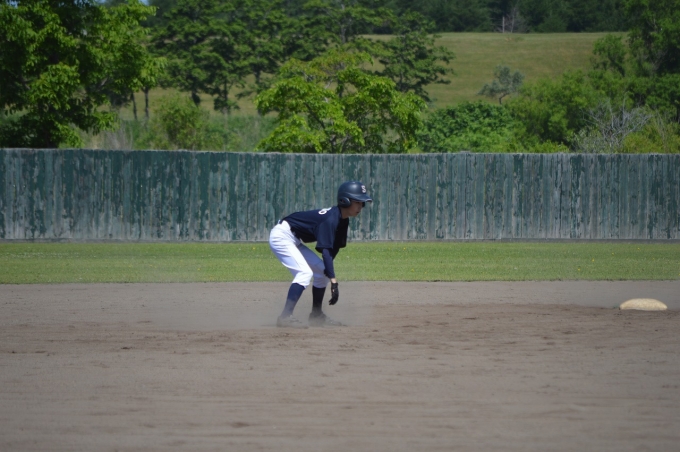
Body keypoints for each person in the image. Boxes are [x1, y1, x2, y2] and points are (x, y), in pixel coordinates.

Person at [268, 180, 372, 328]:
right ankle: (285, 316)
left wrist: (328, 273)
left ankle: (317, 316)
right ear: (345, 200)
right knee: (304, 272)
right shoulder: (330, 219)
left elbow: (334, 248)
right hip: (282, 236)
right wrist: (334, 281)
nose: (361, 206)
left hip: (294, 239)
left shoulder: (342, 220)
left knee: (322, 273)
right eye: (358, 202)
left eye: (362, 203)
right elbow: (326, 251)